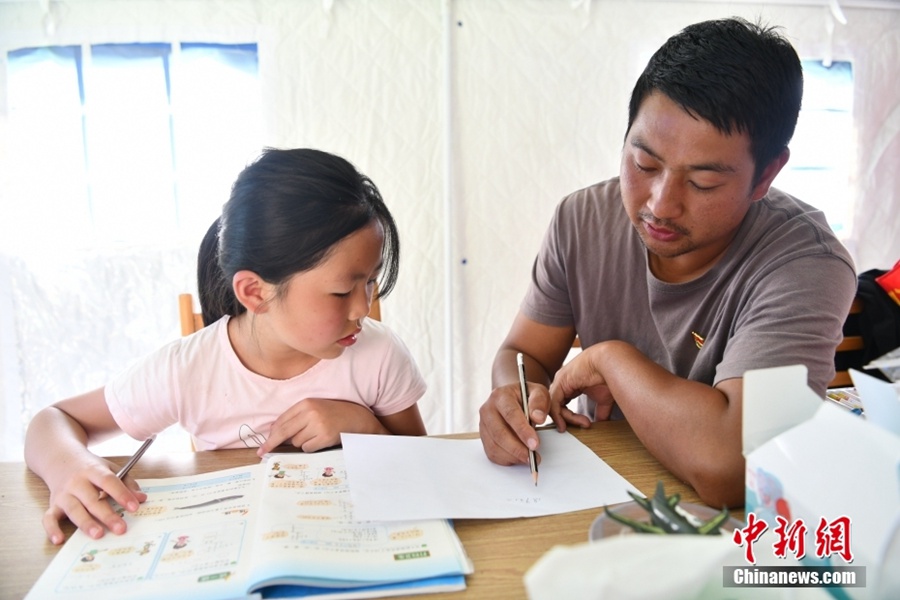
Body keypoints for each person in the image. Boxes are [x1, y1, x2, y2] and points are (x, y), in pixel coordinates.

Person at [478, 17, 856, 509]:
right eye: (644, 164)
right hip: (604, 499)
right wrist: (512, 395)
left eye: (702, 183)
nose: (660, 204)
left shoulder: (805, 263)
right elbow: (523, 352)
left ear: (766, 175)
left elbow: (732, 468)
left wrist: (611, 360)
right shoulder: (582, 218)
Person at [25, 148, 427, 544]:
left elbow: (423, 468)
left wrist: (364, 425)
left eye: (370, 281)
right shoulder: (188, 369)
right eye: (342, 292)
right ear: (255, 292)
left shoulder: (378, 354)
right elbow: (53, 419)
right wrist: (70, 468)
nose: (364, 306)